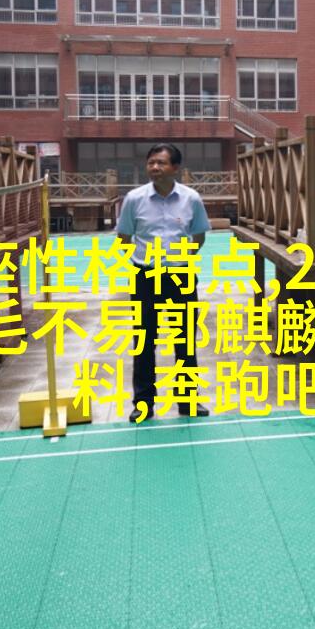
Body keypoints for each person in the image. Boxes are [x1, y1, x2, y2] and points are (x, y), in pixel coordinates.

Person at [115, 143, 211, 423]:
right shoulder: (134, 199)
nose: (155, 168)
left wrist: (182, 258)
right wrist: (142, 261)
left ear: (175, 168)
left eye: (161, 163)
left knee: (185, 340)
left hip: (181, 277)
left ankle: (188, 401)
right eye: (151, 163)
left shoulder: (191, 199)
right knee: (144, 341)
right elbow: (124, 238)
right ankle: (143, 403)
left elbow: (199, 235)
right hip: (146, 277)